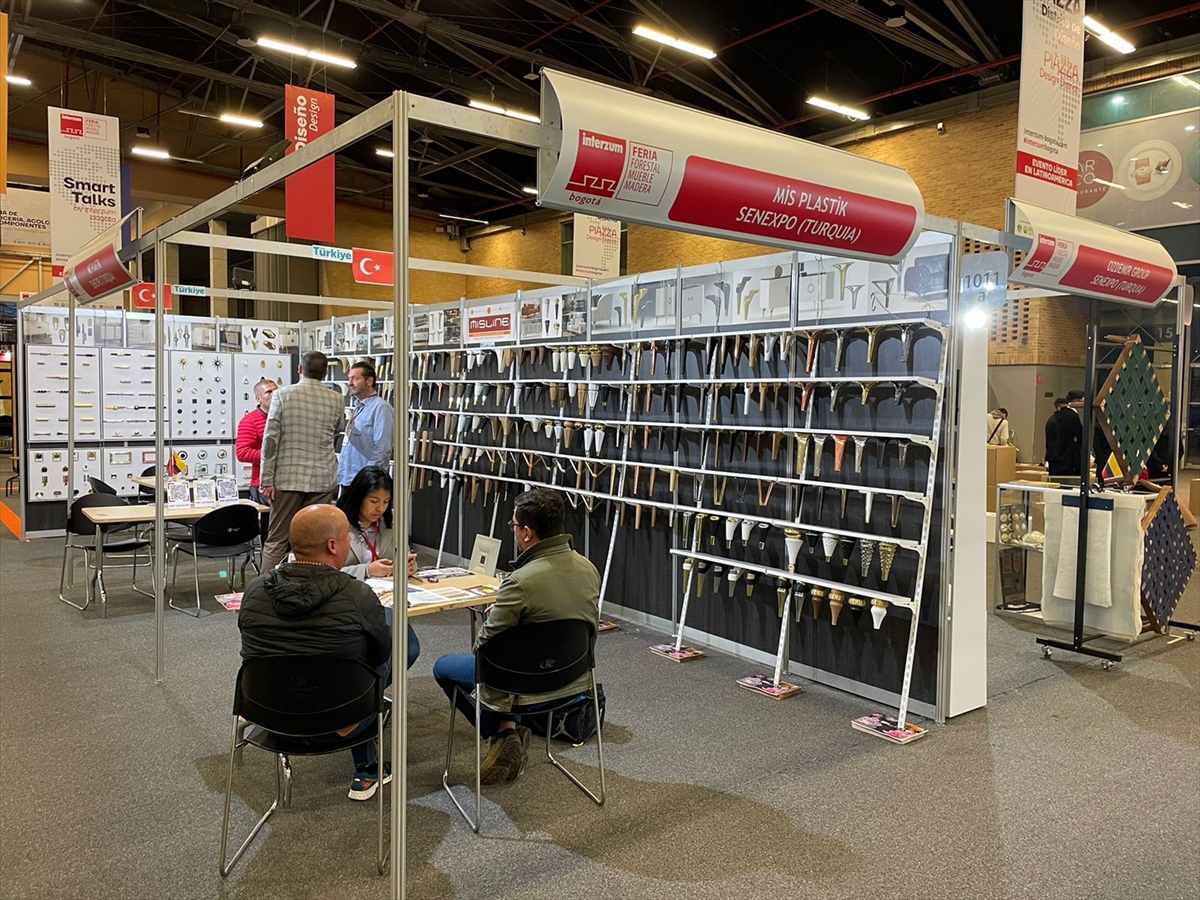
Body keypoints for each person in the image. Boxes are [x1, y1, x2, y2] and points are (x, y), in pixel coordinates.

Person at [432, 487, 600, 785]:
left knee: (444, 668)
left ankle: (502, 734)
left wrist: (502, 612)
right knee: (517, 666)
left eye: (514, 525)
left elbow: (484, 645)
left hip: (526, 683)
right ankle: (507, 729)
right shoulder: (588, 569)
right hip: (574, 680)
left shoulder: (520, 581)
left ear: (526, 533)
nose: (513, 531)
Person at [238, 504, 394, 800]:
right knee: (389, 651)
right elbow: (379, 656)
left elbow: (248, 651)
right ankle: (367, 764)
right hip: (340, 719)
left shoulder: (255, 591)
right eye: (347, 537)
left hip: (269, 715)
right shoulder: (359, 596)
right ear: (333, 546)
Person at [259, 352, 344, 572]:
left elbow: (270, 441)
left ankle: (267, 587)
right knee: (317, 541)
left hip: (287, 478)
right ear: (326, 372)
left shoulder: (282, 395)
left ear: (299, 369)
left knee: (277, 539)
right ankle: (314, 587)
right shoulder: (336, 398)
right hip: (322, 477)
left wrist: (266, 479)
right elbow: (338, 429)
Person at [335, 465, 420, 668]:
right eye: (374, 501)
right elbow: (324, 572)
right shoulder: (337, 522)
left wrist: (408, 566)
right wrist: (366, 570)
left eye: (386, 501)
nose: (380, 508)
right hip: (349, 600)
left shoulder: (392, 521)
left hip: (387, 597)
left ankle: (374, 686)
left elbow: (403, 555)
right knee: (385, 648)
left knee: (409, 649)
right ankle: (370, 686)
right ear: (358, 497)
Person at [337, 360, 394, 494]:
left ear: (369, 381)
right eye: (349, 378)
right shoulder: (358, 407)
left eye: (355, 378)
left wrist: (368, 478)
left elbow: (382, 447)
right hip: (348, 478)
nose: (350, 383)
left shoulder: (381, 408)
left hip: (364, 483)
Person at [235, 379, 276, 505]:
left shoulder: (286, 417)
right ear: (258, 399)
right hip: (263, 485)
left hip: (287, 482)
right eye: (269, 392)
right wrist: (273, 455)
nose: (274, 394)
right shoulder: (250, 421)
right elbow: (242, 453)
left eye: (276, 391)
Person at [1046, 390, 1085, 477]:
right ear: (1076, 401)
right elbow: (1080, 434)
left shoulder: (1058, 415)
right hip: (1067, 458)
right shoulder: (1070, 415)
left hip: (1058, 456)